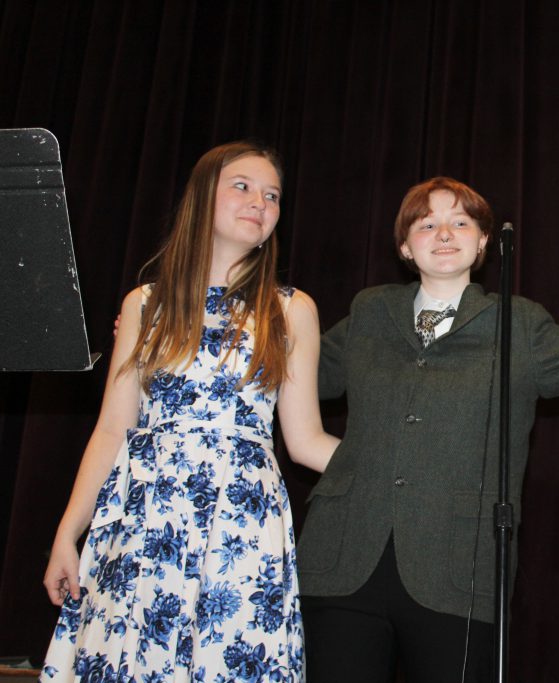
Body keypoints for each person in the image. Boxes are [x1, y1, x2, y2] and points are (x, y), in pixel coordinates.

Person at [40, 141, 339, 682]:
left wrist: (401, 470)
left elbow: (305, 441)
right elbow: (113, 429)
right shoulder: (145, 303)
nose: (260, 203)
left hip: (242, 522)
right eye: (243, 187)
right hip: (147, 515)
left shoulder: (291, 308)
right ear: (203, 198)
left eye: (272, 195)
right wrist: (68, 532)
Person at [297, 177, 559, 682]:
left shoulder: (519, 322)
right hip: (343, 557)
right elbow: (292, 373)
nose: (445, 233)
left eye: (460, 222)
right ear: (406, 246)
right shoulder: (371, 311)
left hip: (459, 567)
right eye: (426, 223)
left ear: (482, 242)